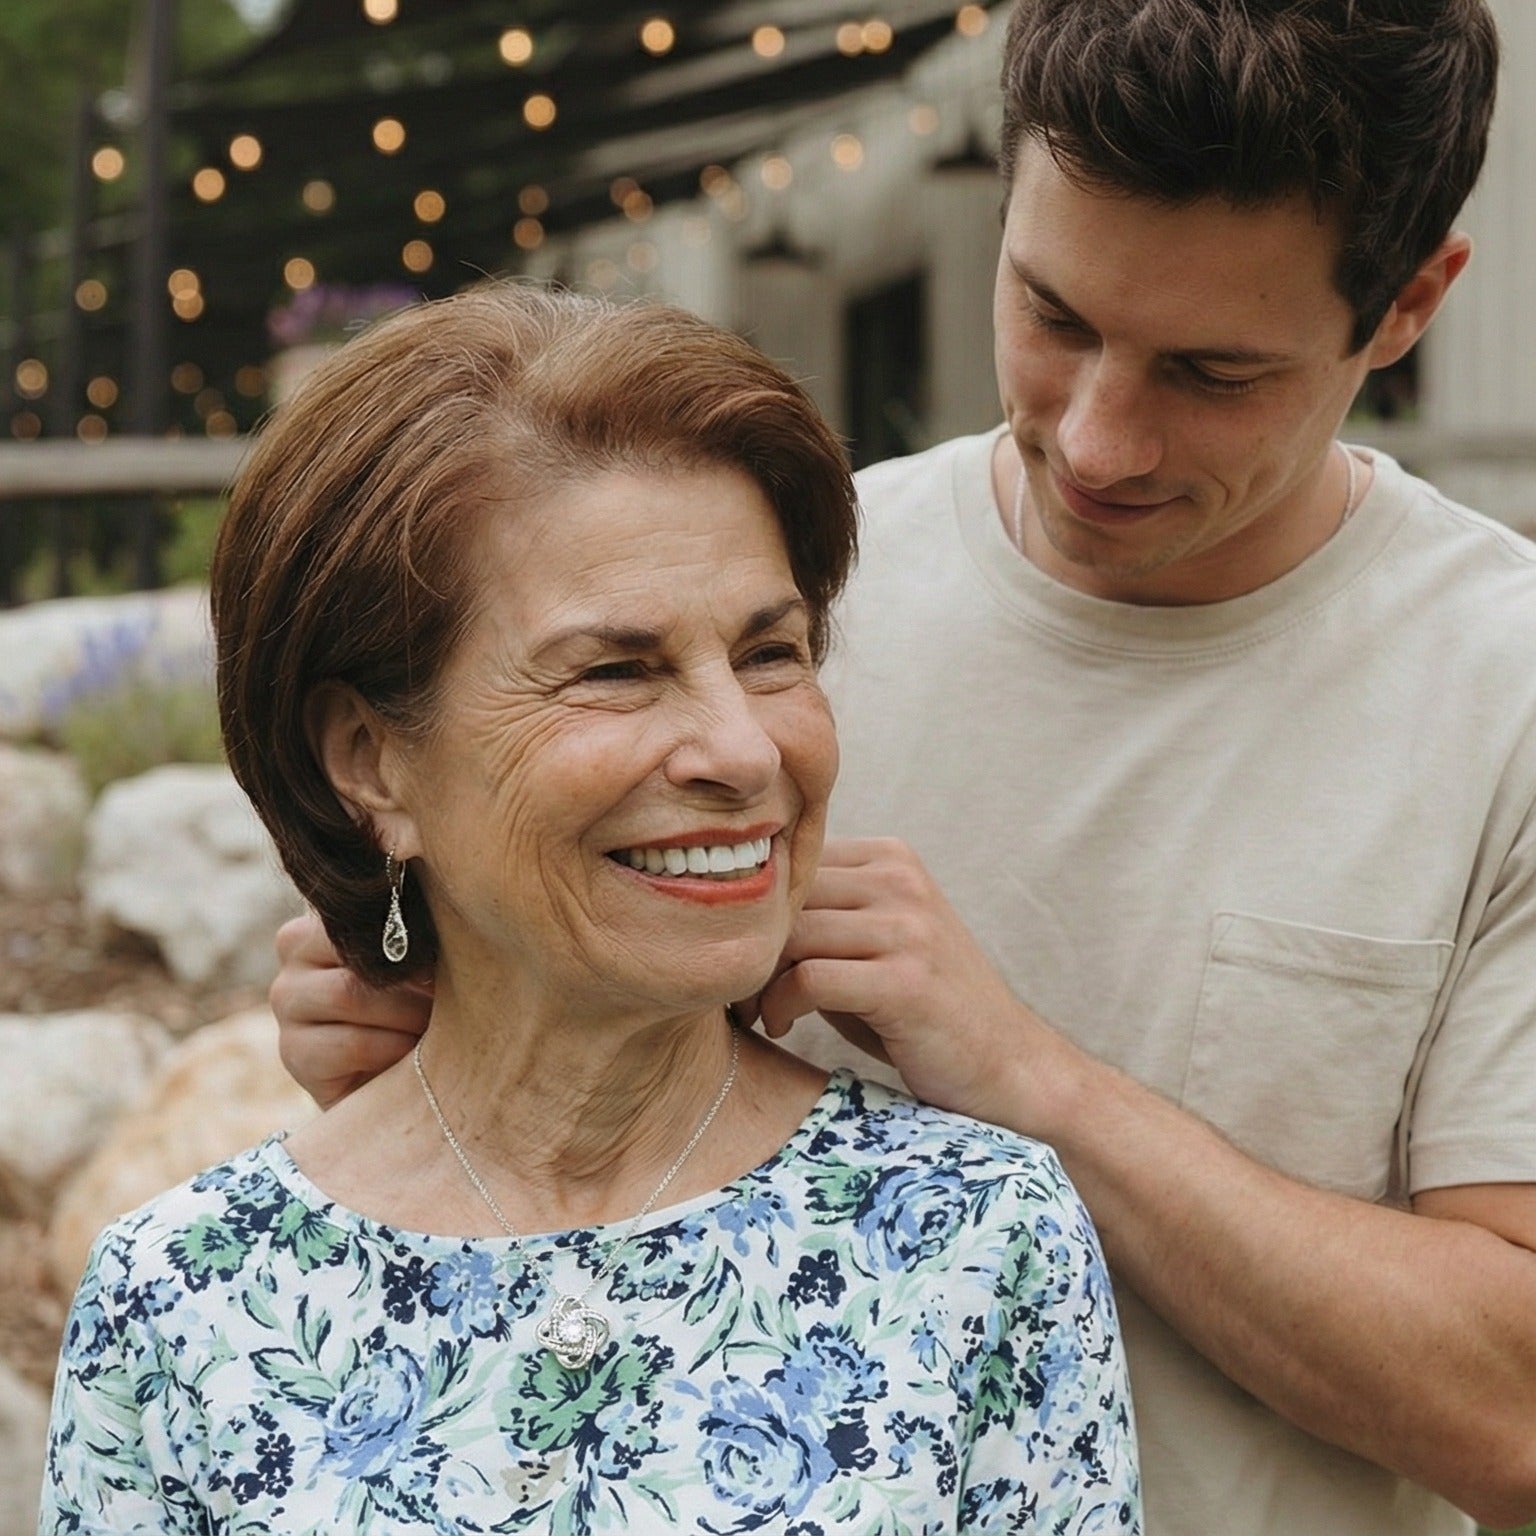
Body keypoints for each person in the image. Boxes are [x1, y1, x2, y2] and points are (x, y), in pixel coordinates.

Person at [268, 2, 1536, 1534]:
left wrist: (1027, 1081)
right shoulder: (756, 606)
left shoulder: (1502, 692)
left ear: (1409, 305)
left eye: (1213, 372)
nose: (1097, 440)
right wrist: (444, 1038)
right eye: (1054, 314)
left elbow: (1514, 1411)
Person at [39, 284, 1140, 1533]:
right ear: (369, 760)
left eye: (771, 653)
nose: (741, 748)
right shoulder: (183, 1301)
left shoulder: (983, 1246)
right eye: (618, 670)